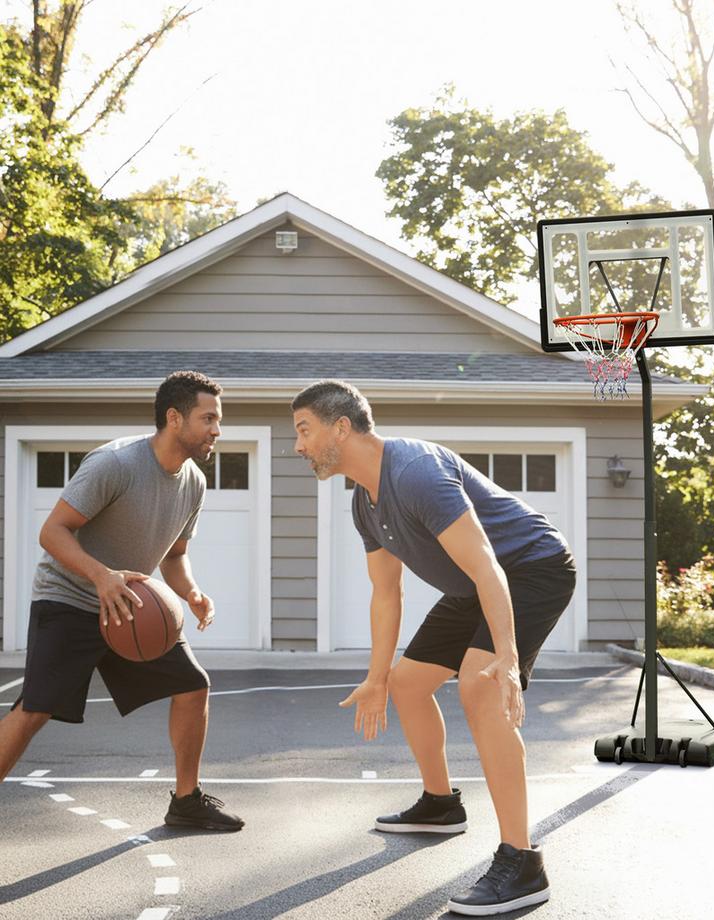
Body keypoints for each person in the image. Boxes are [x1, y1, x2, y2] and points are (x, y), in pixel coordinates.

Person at [292, 380, 576, 915]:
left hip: (531, 567)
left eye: (304, 430)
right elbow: (386, 592)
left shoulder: (416, 472)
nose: (298, 445)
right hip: (474, 583)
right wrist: (376, 678)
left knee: (480, 685)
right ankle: (441, 804)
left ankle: (523, 861)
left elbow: (490, 564)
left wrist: (508, 661)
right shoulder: (364, 503)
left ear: (341, 427)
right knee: (407, 683)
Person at [0, 371, 243, 832]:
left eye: (218, 420)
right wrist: (101, 576)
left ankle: (186, 801)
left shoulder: (193, 481)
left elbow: (174, 556)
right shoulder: (115, 464)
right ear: (175, 418)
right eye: (208, 418)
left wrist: (190, 592)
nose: (217, 430)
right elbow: (52, 532)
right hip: (69, 599)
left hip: (129, 607)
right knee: (34, 710)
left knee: (194, 687)